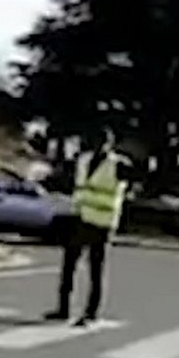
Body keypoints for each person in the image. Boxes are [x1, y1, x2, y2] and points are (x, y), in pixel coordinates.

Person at [46, 131, 130, 326]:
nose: (98, 145)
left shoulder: (118, 164)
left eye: (103, 142)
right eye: (95, 140)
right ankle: (63, 308)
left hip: (102, 222)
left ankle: (91, 312)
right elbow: (76, 185)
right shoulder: (83, 160)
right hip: (80, 218)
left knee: (95, 269)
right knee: (69, 265)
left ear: (110, 145)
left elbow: (135, 179)